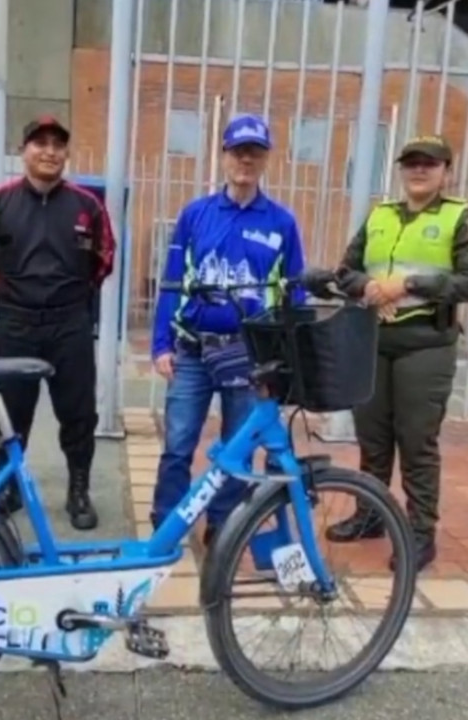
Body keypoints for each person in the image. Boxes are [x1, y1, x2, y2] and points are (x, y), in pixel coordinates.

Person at [150, 114, 306, 547]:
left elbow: (295, 292)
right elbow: (171, 281)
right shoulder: (195, 215)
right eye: (238, 151)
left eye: (255, 152)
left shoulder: (281, 222)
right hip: (193, 351)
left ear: (266, 160)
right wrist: (161, 344)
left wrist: (290, 352)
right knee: (178, 443)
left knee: (239, 447)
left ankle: (224, 525)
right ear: (223, 156)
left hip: (248, 355)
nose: (246, 160)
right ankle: (166, 522)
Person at [324, 134, 468, 572]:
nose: (419, 170)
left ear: (446, 171)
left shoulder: (458, 216)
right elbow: (344, 271)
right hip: (374, 341)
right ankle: (370, 515)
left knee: (416, 442)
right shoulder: (380, 215)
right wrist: (369, 287)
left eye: (429, 163)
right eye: (411, 163)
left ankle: (420, 534)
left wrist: (406, 285)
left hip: (425, 344)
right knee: (373, 439)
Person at [0, 115, 116, 530]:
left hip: (71, 323)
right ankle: (9, 485)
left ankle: (78, 489)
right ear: (24, 150)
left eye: (57, 144)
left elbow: (104, 258)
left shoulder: (88, 206)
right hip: (15, 324)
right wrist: (12, 294)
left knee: (78, 412)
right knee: (11, 412)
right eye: (40, 143)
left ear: (66, 153)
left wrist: (73, 296)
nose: (49, 152)